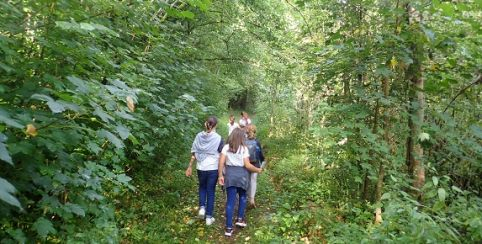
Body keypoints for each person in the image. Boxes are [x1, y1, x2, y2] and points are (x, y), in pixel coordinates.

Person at [218, 128, 262, 237]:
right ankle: (240, 219)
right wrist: (258, 170)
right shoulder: (244, 149)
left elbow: (221, 162)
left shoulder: (226, 147)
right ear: (242, 137)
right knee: (243, 197)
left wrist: (220, 176)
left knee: (230, 202)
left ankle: (228, 228)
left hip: (230, 177)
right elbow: (247, 165)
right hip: (242, 176)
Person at [185, 116, 224, 226]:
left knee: (202, 187)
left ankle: (202, 208)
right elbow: (222, 154)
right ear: (215, 125)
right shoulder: (218, 138)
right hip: (212, 168)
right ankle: (208, 218)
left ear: (205, 124)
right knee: (210, 191)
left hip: (200, 167)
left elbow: (194, 152)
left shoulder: (198, 136)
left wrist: (189, 166)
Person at [245, 124, 265, 209]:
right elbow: (260, 154)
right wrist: (262, 163)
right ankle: (252, 199)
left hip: (246, 163)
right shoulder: (257, 141)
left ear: (247, 131)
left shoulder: (244, 141)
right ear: (254, 131)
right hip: (255, 163)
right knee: (253, 180)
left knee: (247, 180)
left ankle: (246, 196)